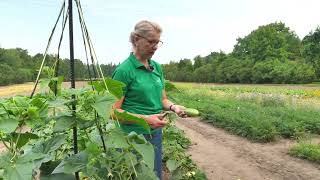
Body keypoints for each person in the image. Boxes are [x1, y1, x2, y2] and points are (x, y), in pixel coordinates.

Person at [112, 20, 186, 180]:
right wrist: (145, 120)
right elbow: (113, 112)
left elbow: (163, 99)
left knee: (154, 175)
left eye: (157, 42)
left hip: (154, 134)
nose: (155, 47)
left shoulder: (157, 67)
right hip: (132, 138)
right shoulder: (124, 71)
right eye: (151, 41)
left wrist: (174, 107)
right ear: (136, 39)